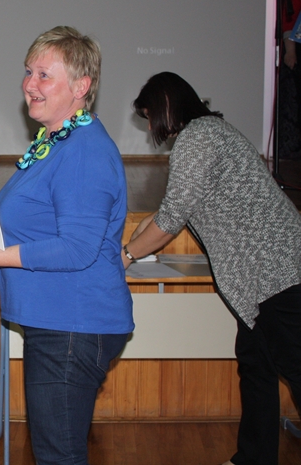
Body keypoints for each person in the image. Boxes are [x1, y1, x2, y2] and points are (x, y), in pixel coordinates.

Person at [0, 26, 133, 465]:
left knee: (58, 456)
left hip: (73, 326)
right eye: (28, 72)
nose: (29, 84)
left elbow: (76, 248)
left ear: (81, 87)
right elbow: (28, 223)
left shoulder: (84, 151)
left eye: (44, 75)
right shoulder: (56, 142)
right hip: (59, 323)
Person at [122, 72, 301, 465]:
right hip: (261, 280)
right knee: (256, 366)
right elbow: (174, 209)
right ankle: (253, 458)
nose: (151, 128)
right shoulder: (211, 132)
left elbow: (171, 221)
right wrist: (137, 238)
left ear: (166, 106)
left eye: (150, 117)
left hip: (277, 274)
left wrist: (127, 256)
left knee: (293, 366)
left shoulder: (197, 138)